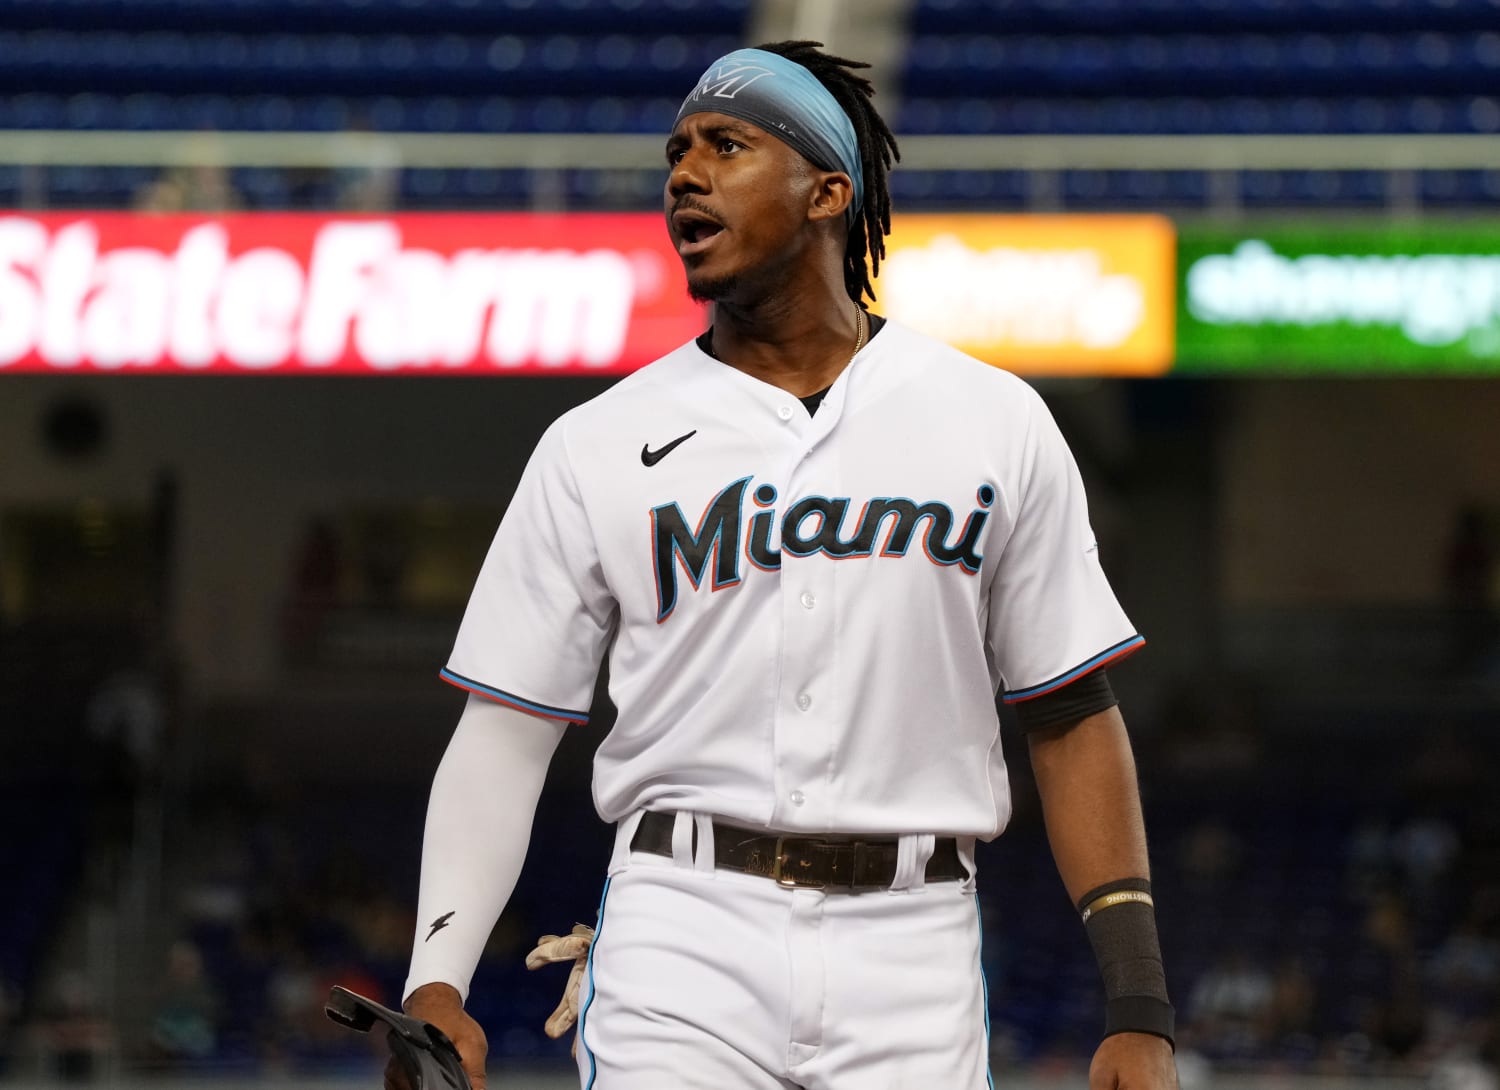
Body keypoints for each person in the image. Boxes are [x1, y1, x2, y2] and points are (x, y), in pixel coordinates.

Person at [392, 41, 1177, 1090]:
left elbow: (1071, 711)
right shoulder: (596, 440)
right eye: (676, 151)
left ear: (827, 191)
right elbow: (507, 728)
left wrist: (1138, 1003)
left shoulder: (992, 418)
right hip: (683, 927)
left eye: (726, 144)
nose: (684, 171)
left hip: (914, 936)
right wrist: (437, 977)